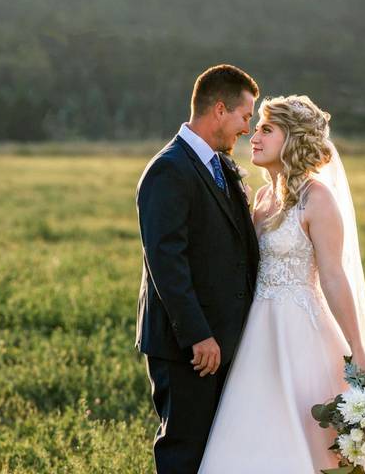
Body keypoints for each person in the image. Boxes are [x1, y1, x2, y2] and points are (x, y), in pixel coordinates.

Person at [197, 94, 365, 473]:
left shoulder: (318, 199)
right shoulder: (261, 198)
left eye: (267, 130)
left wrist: (358, 349)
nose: (253, 137)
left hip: (302, 333)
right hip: (257, 334)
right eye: (255, 128)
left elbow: (334, 277)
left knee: (314, 438)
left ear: (292, 139)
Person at [135, 64, 260, 473]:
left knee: (215, 451)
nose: (248, 127)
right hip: (187, 346)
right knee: (185, 451)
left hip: (222, 341)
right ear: (219, 110)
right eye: (245, 116)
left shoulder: (220, 165)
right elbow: (165, 261)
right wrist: (199, 335)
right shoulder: (168, 168)